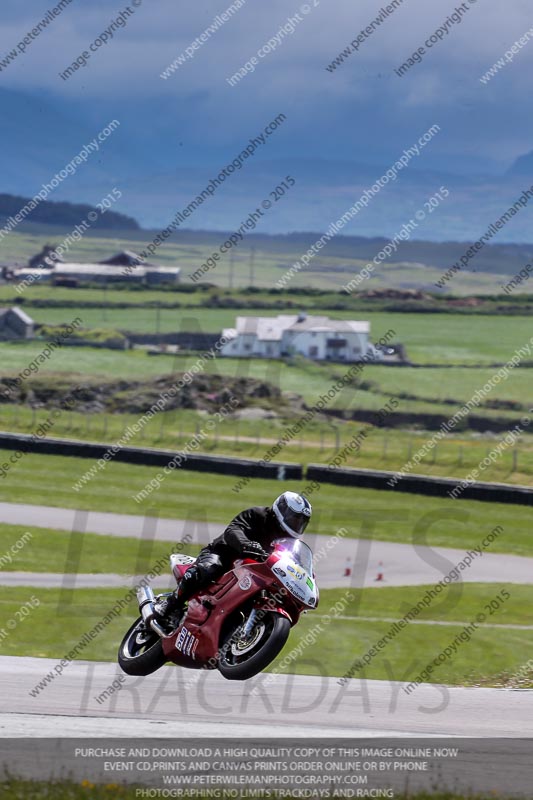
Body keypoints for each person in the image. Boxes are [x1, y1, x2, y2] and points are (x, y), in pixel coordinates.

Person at [153, 491, 312, 625]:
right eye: (294, 519)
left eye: (300, 522)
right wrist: (246, 545)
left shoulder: (291, 542)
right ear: (281, 510)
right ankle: (170, 605)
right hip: (224, 555)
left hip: (256, 573)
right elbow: (233, 530)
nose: (296, 524)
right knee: (206, 570)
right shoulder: (257, 515)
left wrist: (305, 577)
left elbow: (293, 562)